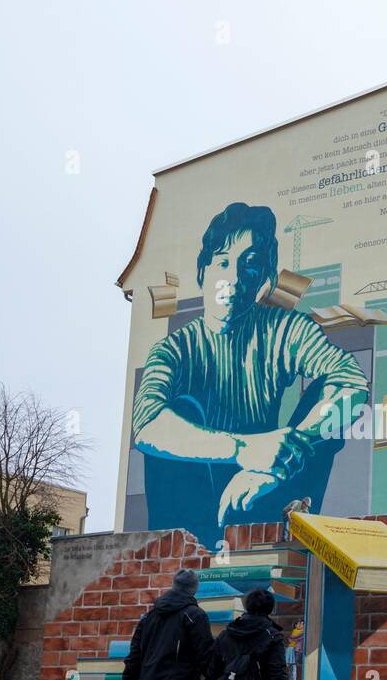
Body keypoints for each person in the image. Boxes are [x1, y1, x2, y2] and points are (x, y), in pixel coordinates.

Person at [132, 202, 369, 548]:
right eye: (223, 262)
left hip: (263, 495)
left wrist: (277, 462)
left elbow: (352, 382)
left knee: (327, 396)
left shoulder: (283, 330)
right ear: (203, 273)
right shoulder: (174, 350)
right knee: (177, 412)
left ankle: (288, 542)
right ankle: (182, 561)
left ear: (265, 278)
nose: (233, 278)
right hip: (195, 508)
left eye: (250, 264)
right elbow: (147, 423)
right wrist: (245, 450)